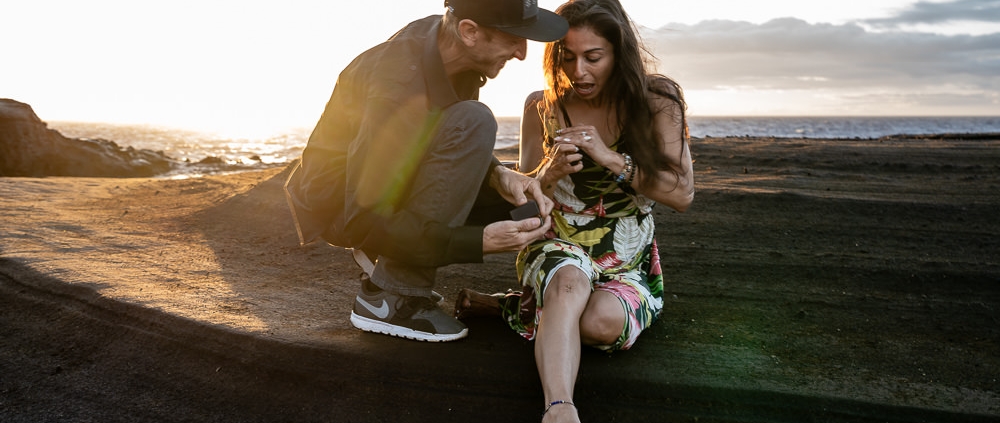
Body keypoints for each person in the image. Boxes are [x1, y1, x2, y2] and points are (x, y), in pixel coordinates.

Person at [454, 0, 694, 420]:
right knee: (568, 283)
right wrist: (548, 173)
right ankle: (560, 408)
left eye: (593, 57)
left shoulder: (658, 101)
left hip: (626, 254)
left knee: (598, 325)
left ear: (620, 53)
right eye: (567, 57)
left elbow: (682, 193)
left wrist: (610, 157)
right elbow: (524, 193)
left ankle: (514, 307)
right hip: (557, 240)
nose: (578, 71)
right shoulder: (540, 106)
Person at [284, 0, 569, 343]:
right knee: (476, 120)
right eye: (513, 38)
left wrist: (499, 174)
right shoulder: (397, 84)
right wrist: (479, 242)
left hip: (393, 177)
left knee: (526, 207)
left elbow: (434, 134)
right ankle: (392, 297)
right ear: (469, 32)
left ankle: (395, 264)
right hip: (344, 205)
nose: (522, 53)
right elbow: (361, 218)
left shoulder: (447, 42)